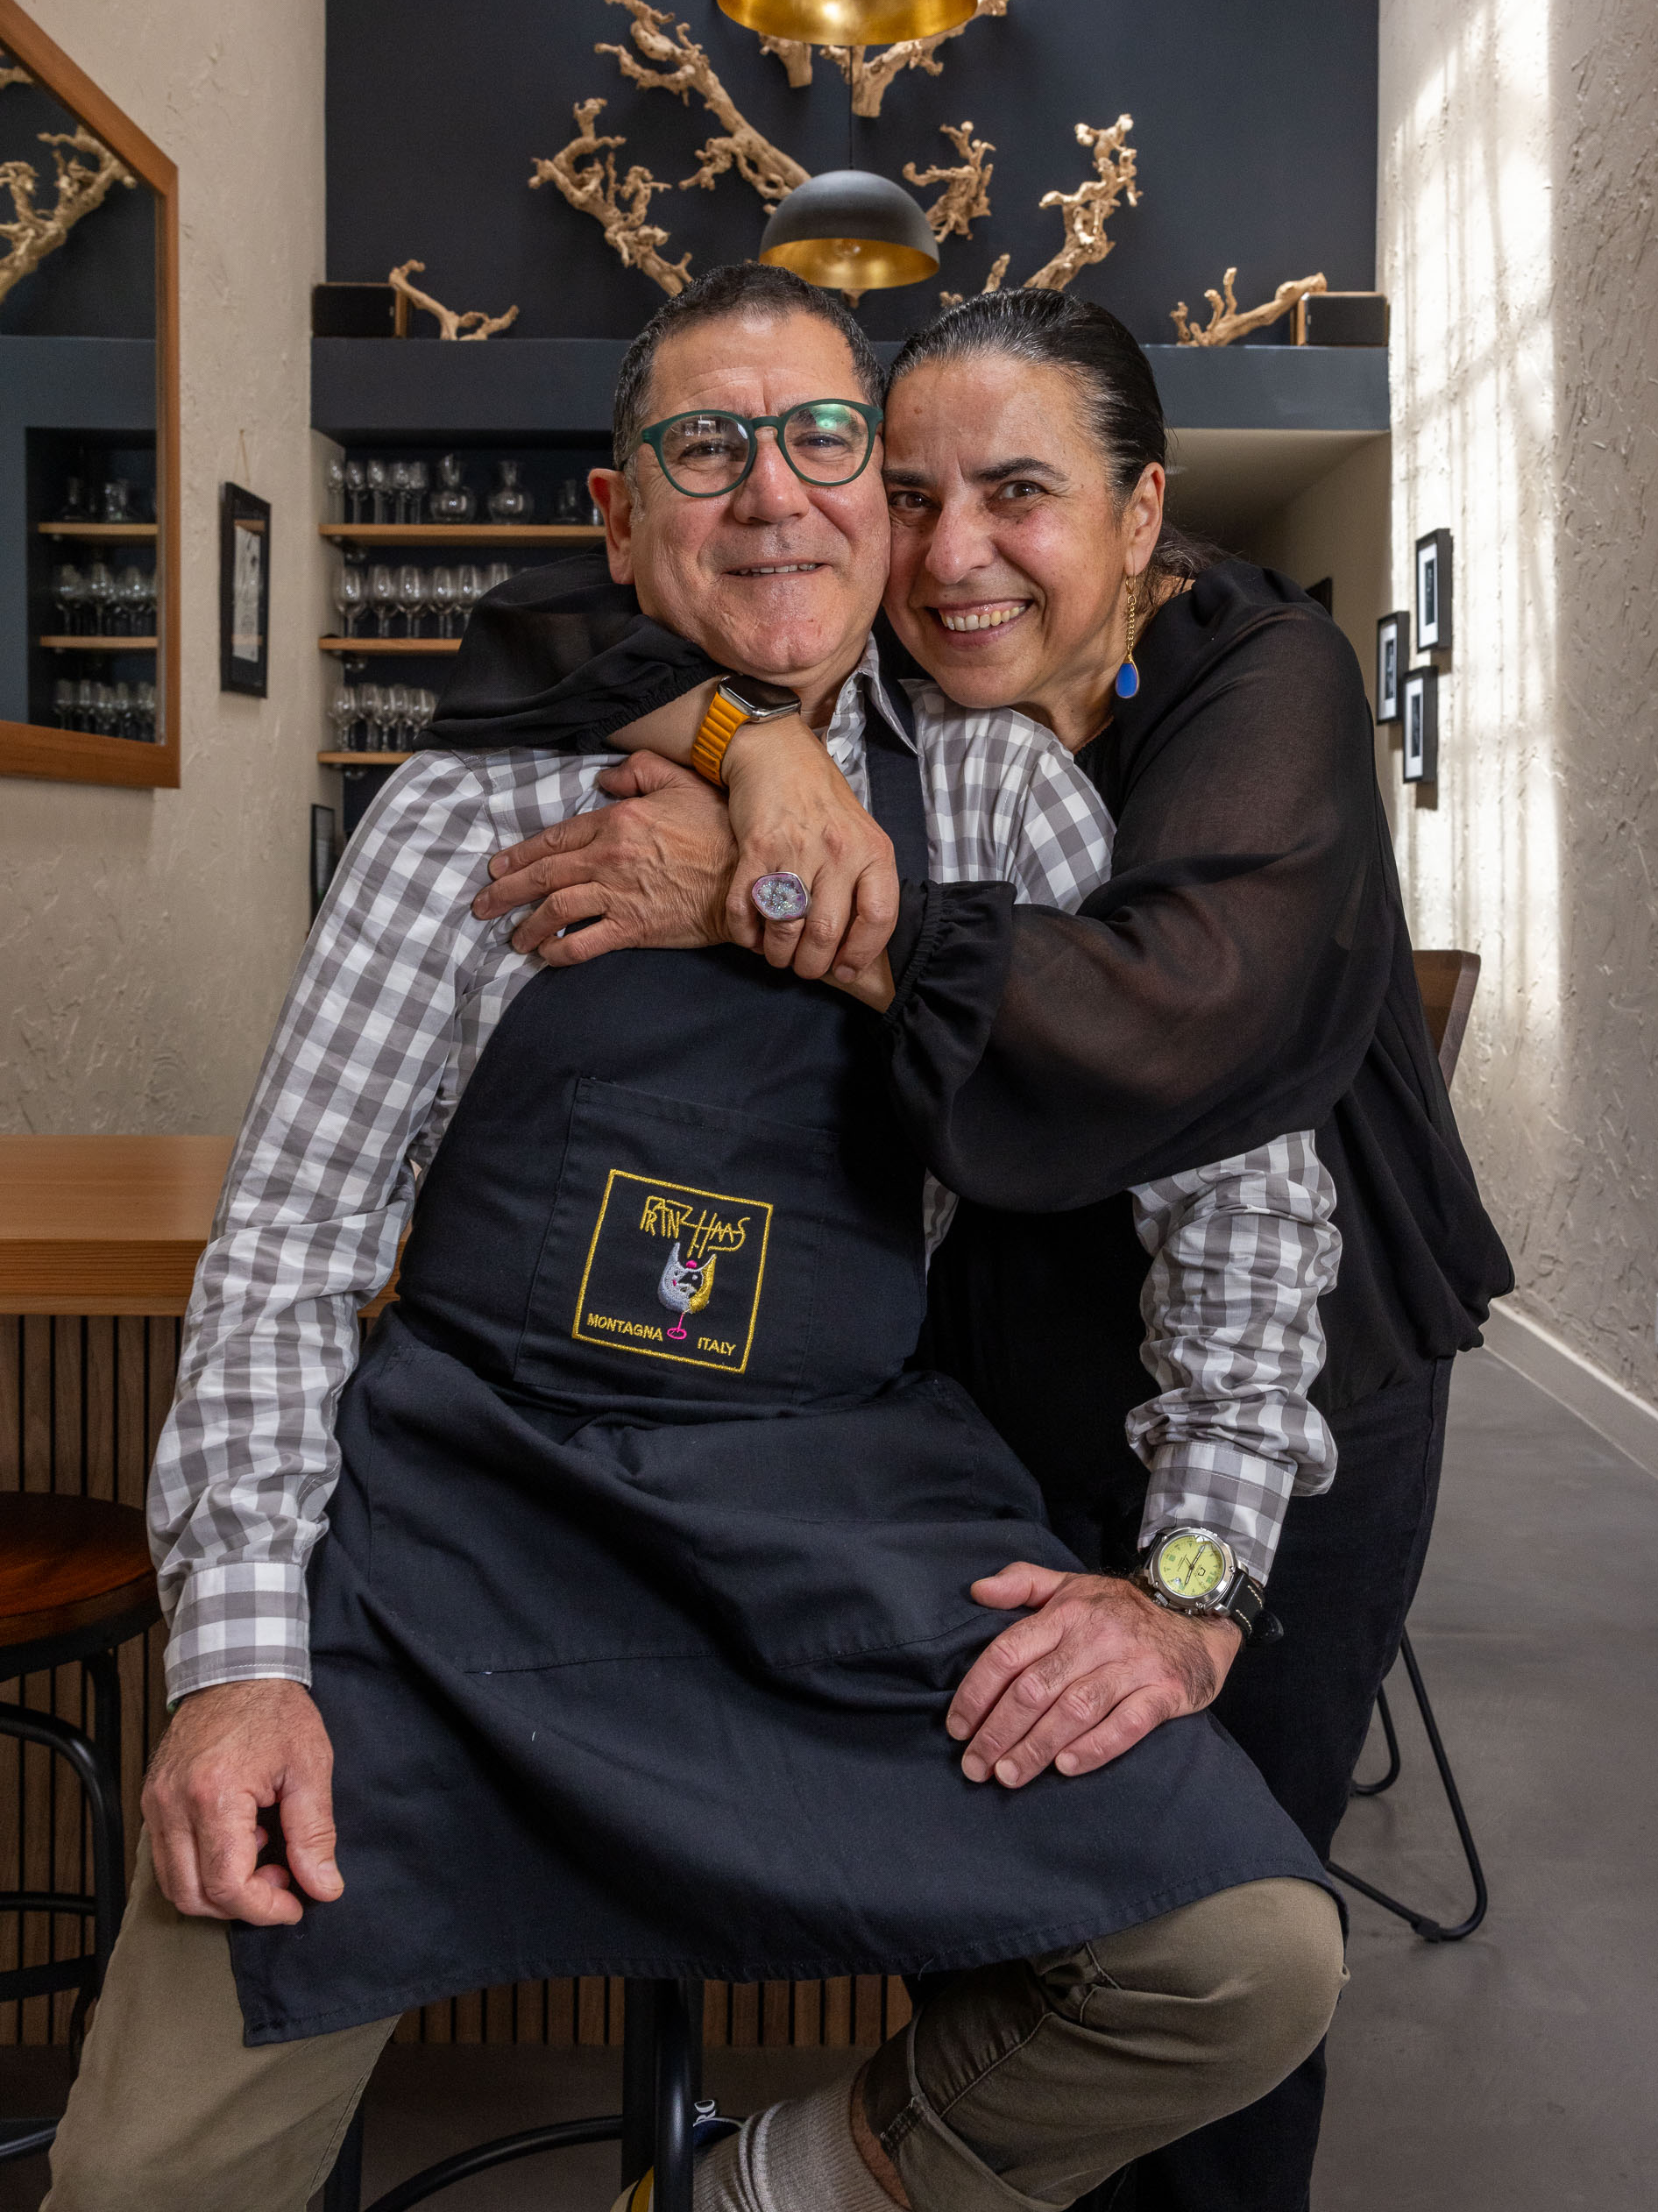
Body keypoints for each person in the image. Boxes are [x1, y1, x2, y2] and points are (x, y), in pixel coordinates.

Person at [45, 267, 1343, 2212]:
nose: (772, 492)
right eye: (704, 445)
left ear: (875, 496)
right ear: (619, 513)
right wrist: (234, 1661)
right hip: (455, 1541)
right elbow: (297, 1239)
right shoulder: (466, 813)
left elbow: (1235, 1192)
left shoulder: (992, 789)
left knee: (1241, 1960)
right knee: (144, 2183)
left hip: (826, 1524)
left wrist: (1187, 1571)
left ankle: (768, 2192)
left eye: (825, 439)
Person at [468, 286, 1515, 2212]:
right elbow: (533, 634)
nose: (950, 558)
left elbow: (1170, 1025)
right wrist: (752, 747)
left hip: (1293, 1371)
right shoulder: (886, 678)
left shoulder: (1257, 680)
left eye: (1018, 493)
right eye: (917, 492)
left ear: (1144, 521)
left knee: (1213, 1914)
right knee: (1031, 1919)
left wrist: (761, 895)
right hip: (990, 1376)